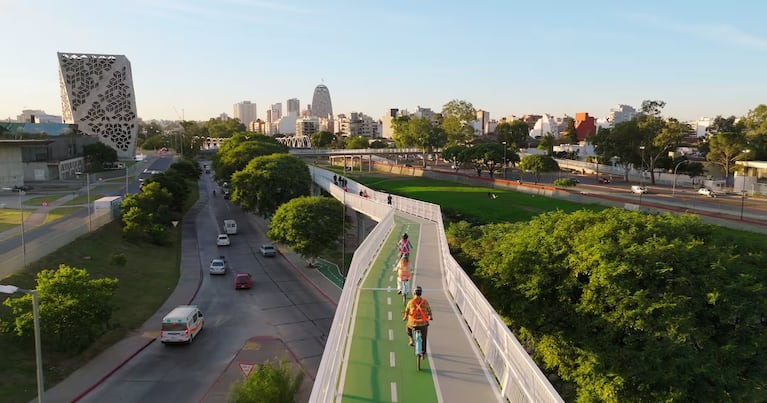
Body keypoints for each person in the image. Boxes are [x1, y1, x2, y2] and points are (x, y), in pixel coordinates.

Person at [403, 286, 433, 353]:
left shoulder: (410, 302)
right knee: (424, 337)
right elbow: (429, 310)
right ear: (421, 293)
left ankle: (411, 339)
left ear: (414, 293)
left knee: (407, 327)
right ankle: (423, 353)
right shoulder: (425, 302)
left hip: (413, 324)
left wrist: (405, 317)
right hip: (423, 324)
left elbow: (406, 311)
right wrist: (430, 316)